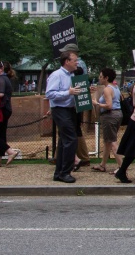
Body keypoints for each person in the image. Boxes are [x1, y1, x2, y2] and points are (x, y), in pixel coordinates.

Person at [45, 50, 84, 183]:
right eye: (75, 60)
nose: (77, 62)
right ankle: (65, 172)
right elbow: (50, 94)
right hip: (60, 110)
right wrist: (68, 92)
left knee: (63, 141)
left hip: (70, 110)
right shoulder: (57, 75)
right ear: (67, 61)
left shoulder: (72, 75)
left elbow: (73, 92)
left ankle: (59, 173)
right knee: (71, 140)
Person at [91, 67, 122, 173]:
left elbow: (109, 105)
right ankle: (102, 165)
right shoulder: (115, 87)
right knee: (108, 141)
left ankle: (122, 166)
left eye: (101, 76)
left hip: (109, 115)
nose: (99, 78)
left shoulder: (107, 89)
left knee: (112, 142)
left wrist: (97, 104)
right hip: (117, 114)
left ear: (106, 78)